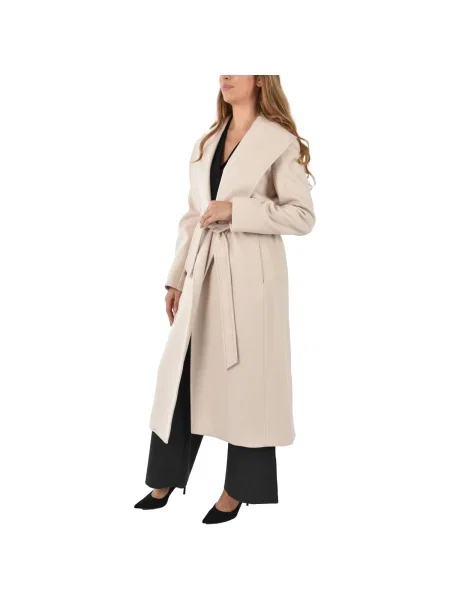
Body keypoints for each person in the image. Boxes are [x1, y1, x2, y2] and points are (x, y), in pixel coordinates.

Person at [135, 75, 316, 524]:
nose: (226, 75)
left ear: (261, 79)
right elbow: (193, 215)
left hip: (252, 279)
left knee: (248, 384)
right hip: (203, 270)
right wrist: (175, 278)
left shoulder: (279, 141)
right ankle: (165, 476)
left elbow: (301, 216)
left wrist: (238, 211)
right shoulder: (207, 141)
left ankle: (238, 489)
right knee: (182, 370)